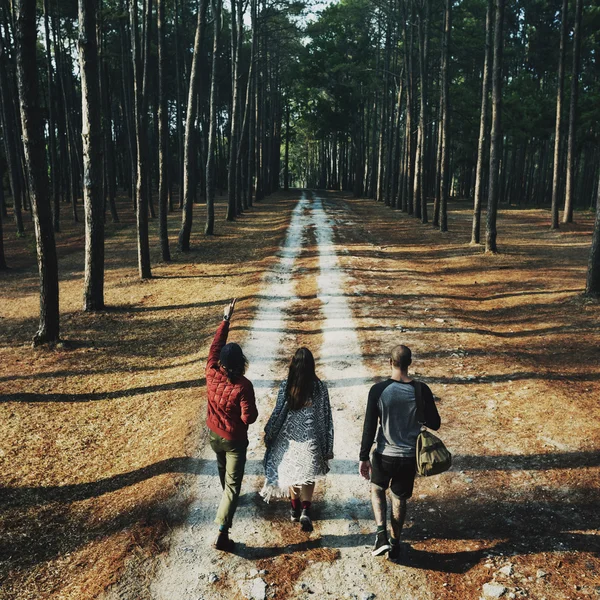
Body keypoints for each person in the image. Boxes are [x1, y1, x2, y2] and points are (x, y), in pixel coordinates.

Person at [359, 344, 441, 560]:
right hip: (408, 458)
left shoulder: (378, 390)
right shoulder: (421, 390)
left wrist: (363, 457)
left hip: (384, 455)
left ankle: (380, 535)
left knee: (377, 490)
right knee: (399, 499)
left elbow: (369, 427)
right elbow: (435, 423)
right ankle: (395, 543)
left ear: (390, 361)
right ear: (410, 363)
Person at [260, 347, 334, 532]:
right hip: (312, 441)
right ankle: (306, 511)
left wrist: (269, 432)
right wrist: (327, 445)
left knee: (294, 474)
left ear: (294, 364)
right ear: (311, 366)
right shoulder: (320, 388)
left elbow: (278, 412)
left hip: (291, 440)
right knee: (308, 476)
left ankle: (294, 508)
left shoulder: (287, 386)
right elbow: (326, 416)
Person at [206, 298, 258, 551]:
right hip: (235, 439)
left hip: (214, 434)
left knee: (221, 467)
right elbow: (249, 418)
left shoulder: (210, 371)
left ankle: (225, 497)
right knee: (233, 485)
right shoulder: (244, 386)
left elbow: (216, 347)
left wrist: (226, 318)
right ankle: (222, 533)